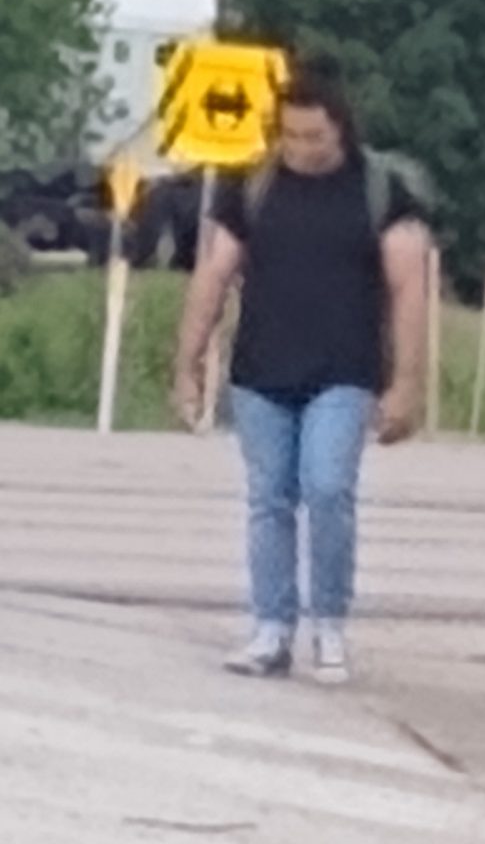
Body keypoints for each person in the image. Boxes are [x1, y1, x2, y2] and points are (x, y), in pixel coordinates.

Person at [174, 65, 432, 685]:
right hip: (260, 371)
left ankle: (330, 624)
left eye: (314, 136)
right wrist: (187, 363)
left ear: (340, 130)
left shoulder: (380, 191)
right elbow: (213, 275)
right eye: (289, 135)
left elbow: (409, 288)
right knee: (269, 500)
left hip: (344, 370)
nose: (301, 149)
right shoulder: (253, 188)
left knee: (327, 488)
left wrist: (407, 383)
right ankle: (271, 628)